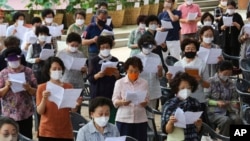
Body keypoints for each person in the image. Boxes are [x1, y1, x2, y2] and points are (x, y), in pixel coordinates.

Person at [36, 56, 82, 141]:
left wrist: (77, 104)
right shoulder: (42, 88)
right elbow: (40, 111)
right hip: (47, 131)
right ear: (48, 70)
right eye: (54, 69)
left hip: (65, 130)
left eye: (59, 68)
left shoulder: (68, 86)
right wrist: (44, 99)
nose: (57, 71)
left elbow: (72, 110)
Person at [166, 38, 210, 125]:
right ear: (183, 50)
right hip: (180, 100)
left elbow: (207, 85)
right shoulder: (177, 64)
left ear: (197, 50)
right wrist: (169, 78)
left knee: (198, 125)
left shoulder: (202, 64)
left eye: (193, 48)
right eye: (187, 49)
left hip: (198, 100)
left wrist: (200, 80)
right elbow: (173, 85)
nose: (190, 50)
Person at [0, 47, 37, 139]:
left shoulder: (28, 71)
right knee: (10, 137)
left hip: (25, 112)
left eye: (16, 59)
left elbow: (36, 92)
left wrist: (28, 88)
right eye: (11, 60)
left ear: (20, 58)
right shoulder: (3, 73)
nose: (14, 62)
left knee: (26, 135)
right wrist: (7, 87)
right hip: (9, 113)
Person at [112, 56, 149, 141]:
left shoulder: (144, 83)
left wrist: (145, 102)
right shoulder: (120, 83)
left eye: (136, 71)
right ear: (126, 70)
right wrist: (122, 102)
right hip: (124, 119)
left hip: (140, 119)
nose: (133, 73)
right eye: (131, 71)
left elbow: (147, 98)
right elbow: (114, 100)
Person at [161, 72, 202, 141]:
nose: (186, 90)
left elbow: (198, 130)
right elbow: (166, 130)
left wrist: (198, 125)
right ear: (176, 88)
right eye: (182, 88)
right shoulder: (169, 104)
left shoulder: (195, 103)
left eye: (188, 88)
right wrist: (171, 122)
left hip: (192, 138)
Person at [206, 60, 242, 136]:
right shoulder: (210, 82)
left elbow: (234, 98)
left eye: (229, 74)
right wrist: (216, 103)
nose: (227, 76)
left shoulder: (231, 83)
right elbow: (204, 99)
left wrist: (235, 103)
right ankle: (224, 138)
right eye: (225, 74)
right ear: (219, 71)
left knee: (238, 119)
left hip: (228, 109)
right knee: (226, 121)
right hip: (213, 111)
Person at [135, 34, 163, 111]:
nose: (147, 48)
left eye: (150, 45)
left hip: (152, 89)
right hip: (139, 89)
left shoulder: (156, 57)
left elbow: (160, 76)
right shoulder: (136, 58)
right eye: (145, 45)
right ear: (141, 45)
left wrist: (160, 70)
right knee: (139, 113)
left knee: (151, 114)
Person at [218, 0, 244, 68]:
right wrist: (223, 27)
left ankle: (235, 69)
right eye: (229, 8)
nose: (230, 9)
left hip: (235, 40)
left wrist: (236, 24)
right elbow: (219, 27)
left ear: (235, 8)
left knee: (235, 57)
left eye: (232, 8)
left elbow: (242, 28)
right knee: (226, 58)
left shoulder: (238, 16)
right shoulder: (224, 16)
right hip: (225, 40)